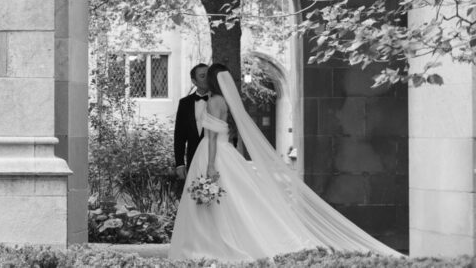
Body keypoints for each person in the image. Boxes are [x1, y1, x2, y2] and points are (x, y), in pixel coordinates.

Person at [168, 63, 401, 261]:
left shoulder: (212, 102)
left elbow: (210, 137)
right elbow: (225, 132)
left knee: (214, 202)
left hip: (212, 155)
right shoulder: (226, 101)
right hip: (226, 153)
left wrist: (210, 165)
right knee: (236, 201)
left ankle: (206, 244)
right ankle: (223, 240)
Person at [173, 63, 210, 187]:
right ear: (194, 81)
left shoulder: (220, 101)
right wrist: (180, 163)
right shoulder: (184, 103)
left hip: (217, 159)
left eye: (209, 75)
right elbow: (179, 136)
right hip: (193, 159)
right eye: (202, 76)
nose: (207, 78)